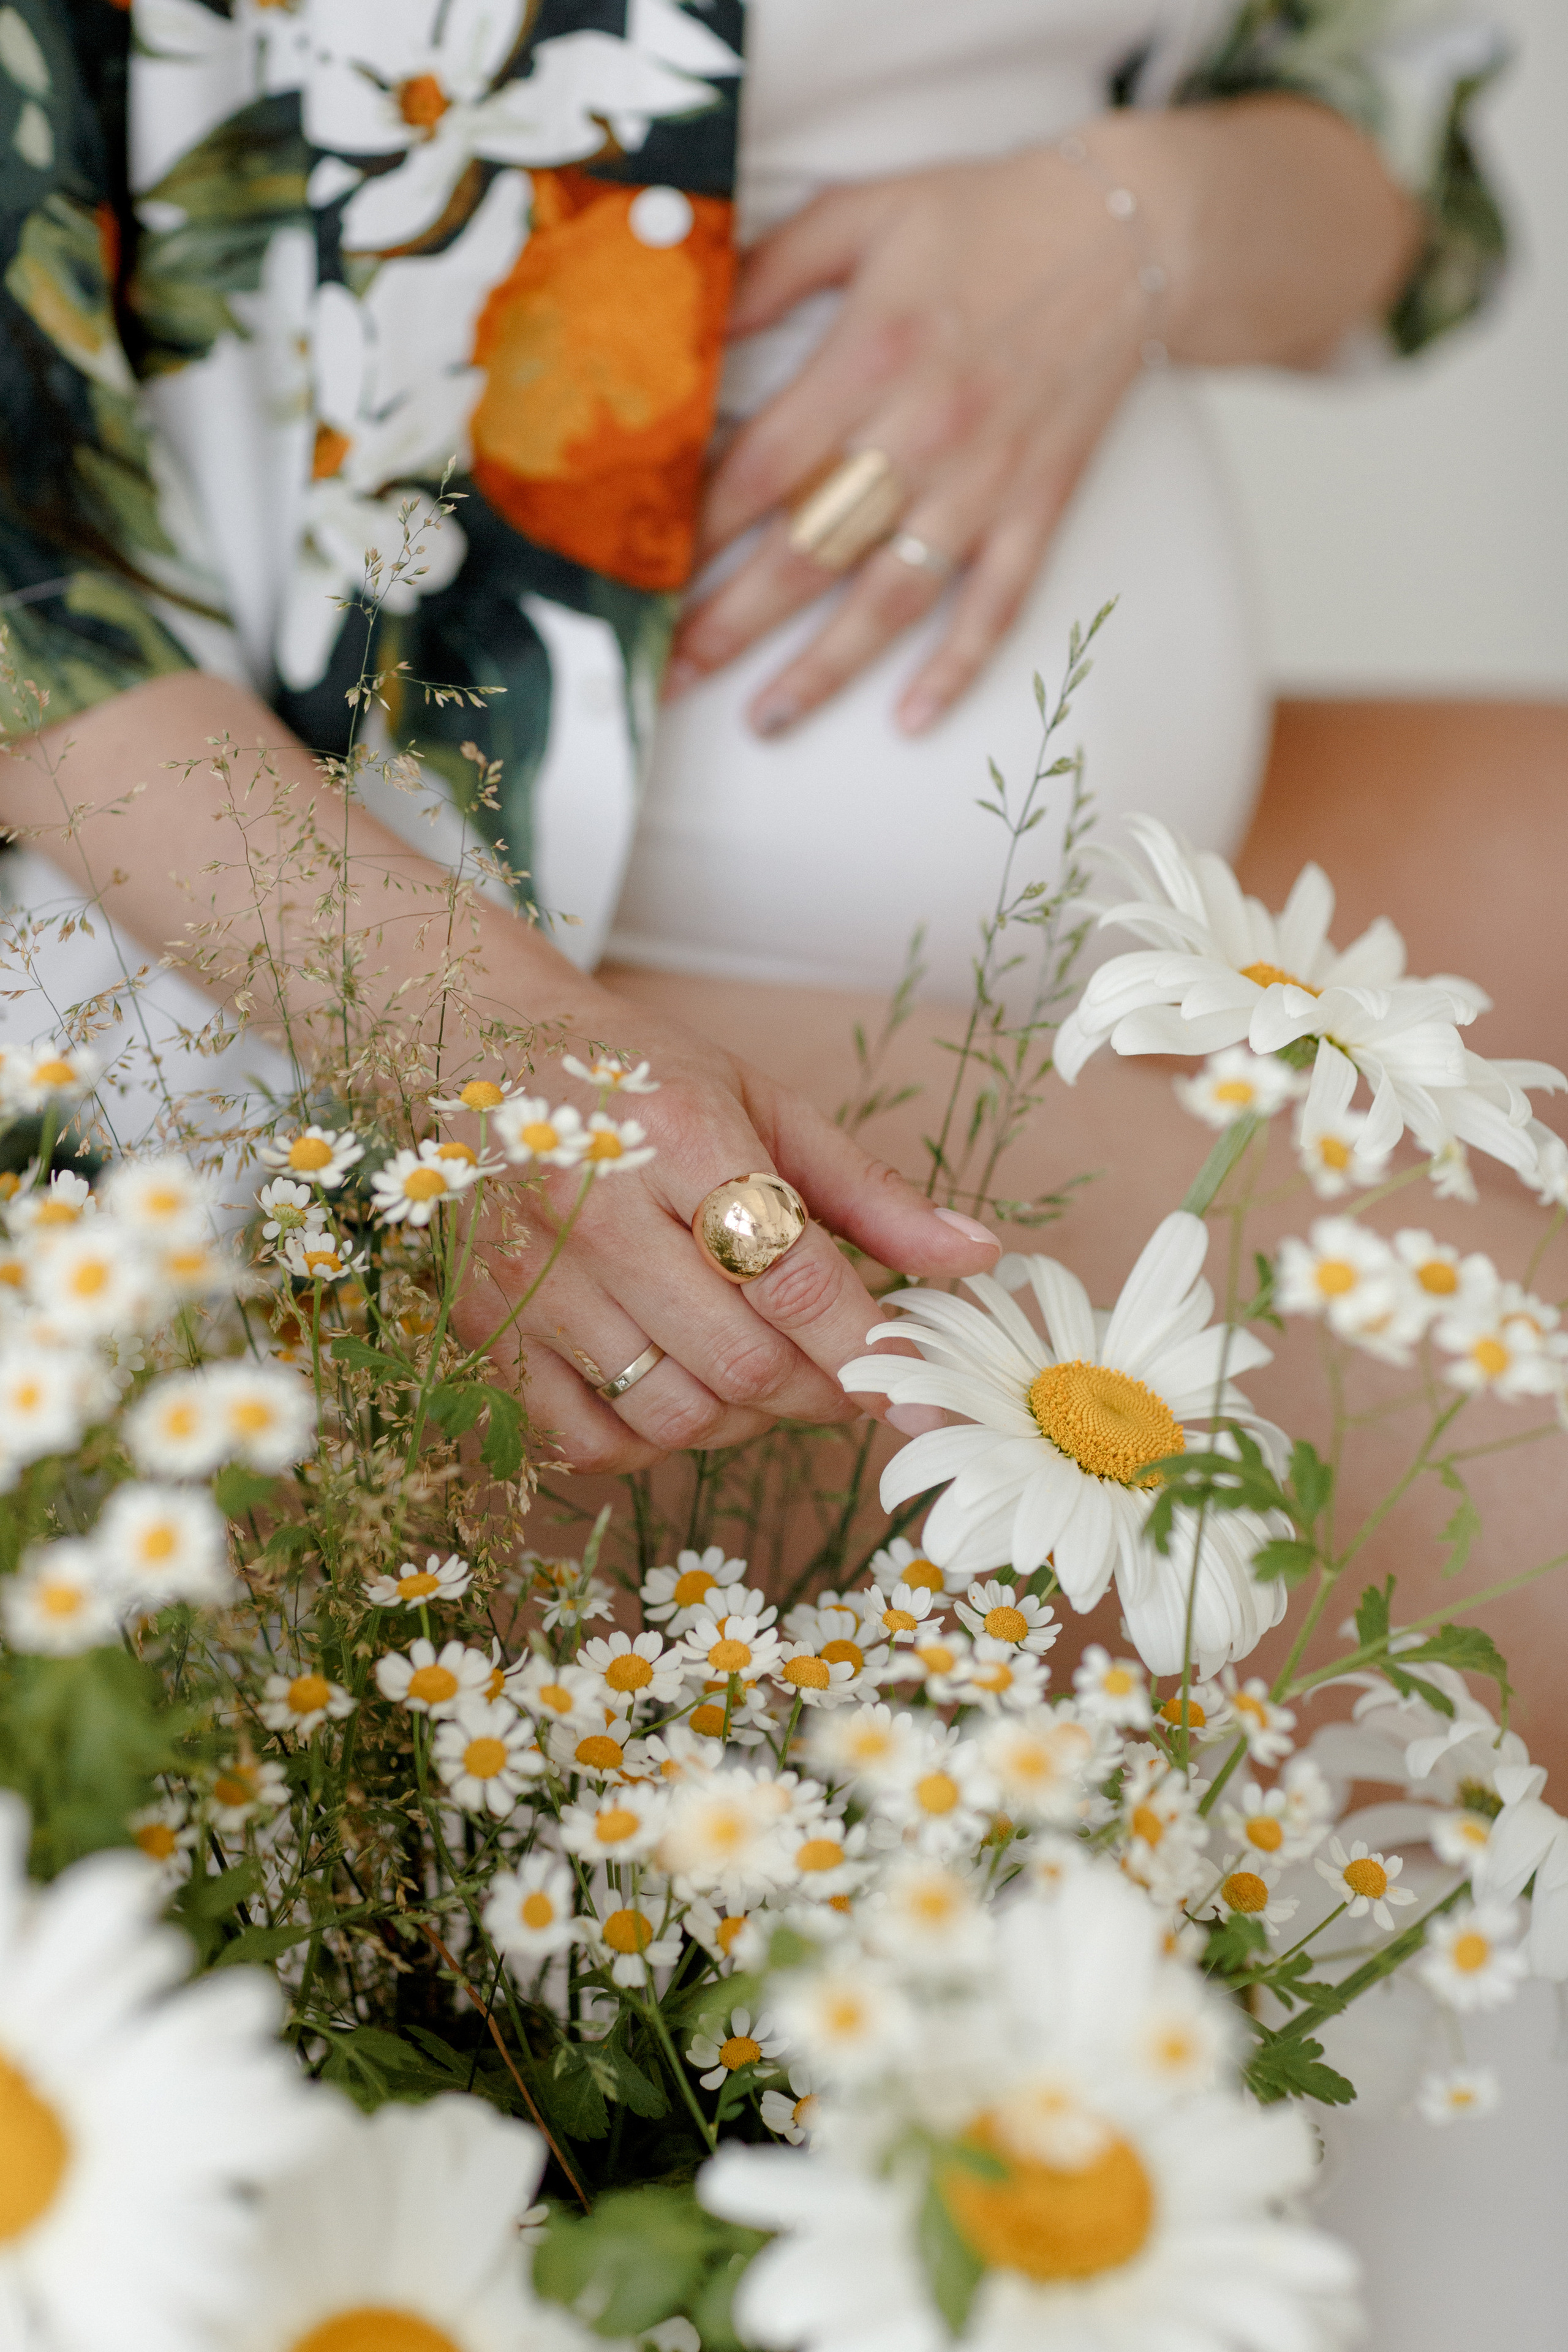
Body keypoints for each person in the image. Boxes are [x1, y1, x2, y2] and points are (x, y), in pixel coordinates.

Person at [0, 0, 1517, 1479]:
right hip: (436, 959)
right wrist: (485, 1055)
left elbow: (1387, 150)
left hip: (1153, 869)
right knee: (1528, 1458)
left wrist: (1130, 221)